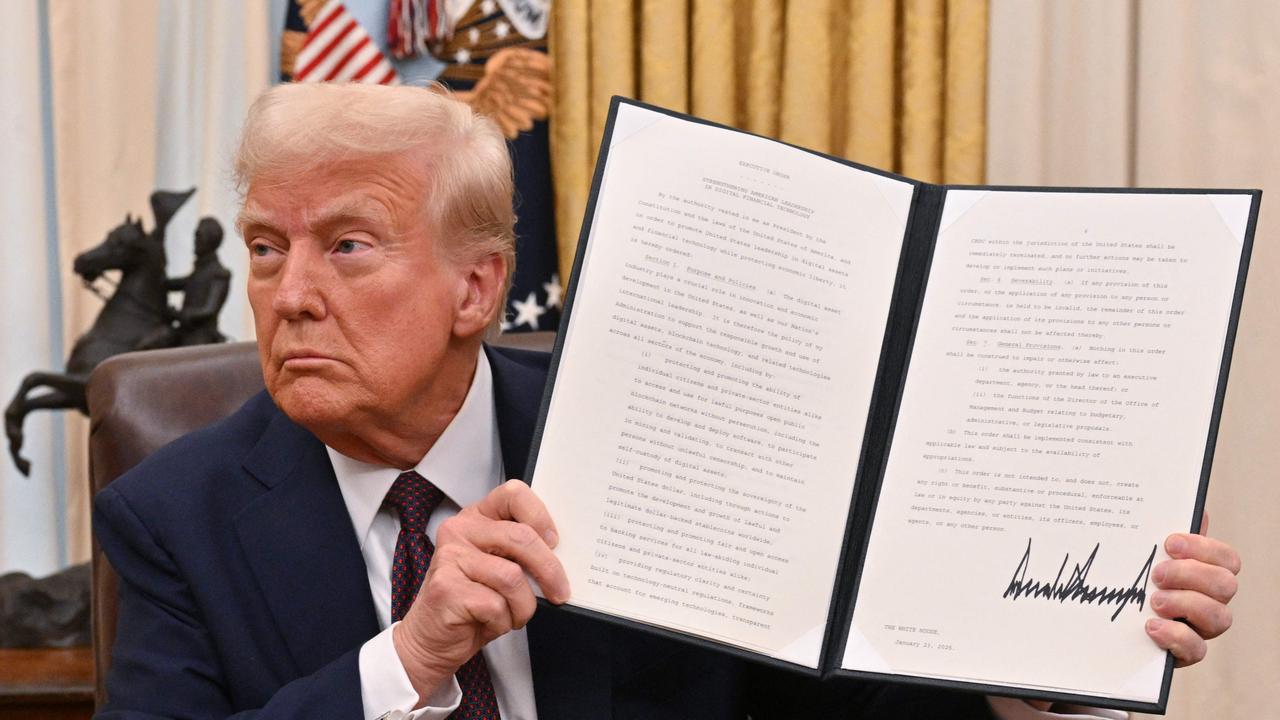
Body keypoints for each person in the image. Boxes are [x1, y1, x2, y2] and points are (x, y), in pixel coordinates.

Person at [93, 83, 1241, 719]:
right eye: (263, 246)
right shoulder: (173, 514)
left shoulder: (653, 435)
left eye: (346, 245)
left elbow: (816, 696)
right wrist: (410, 657)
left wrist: (1037, 660)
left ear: (476, 286)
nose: (286, 296)